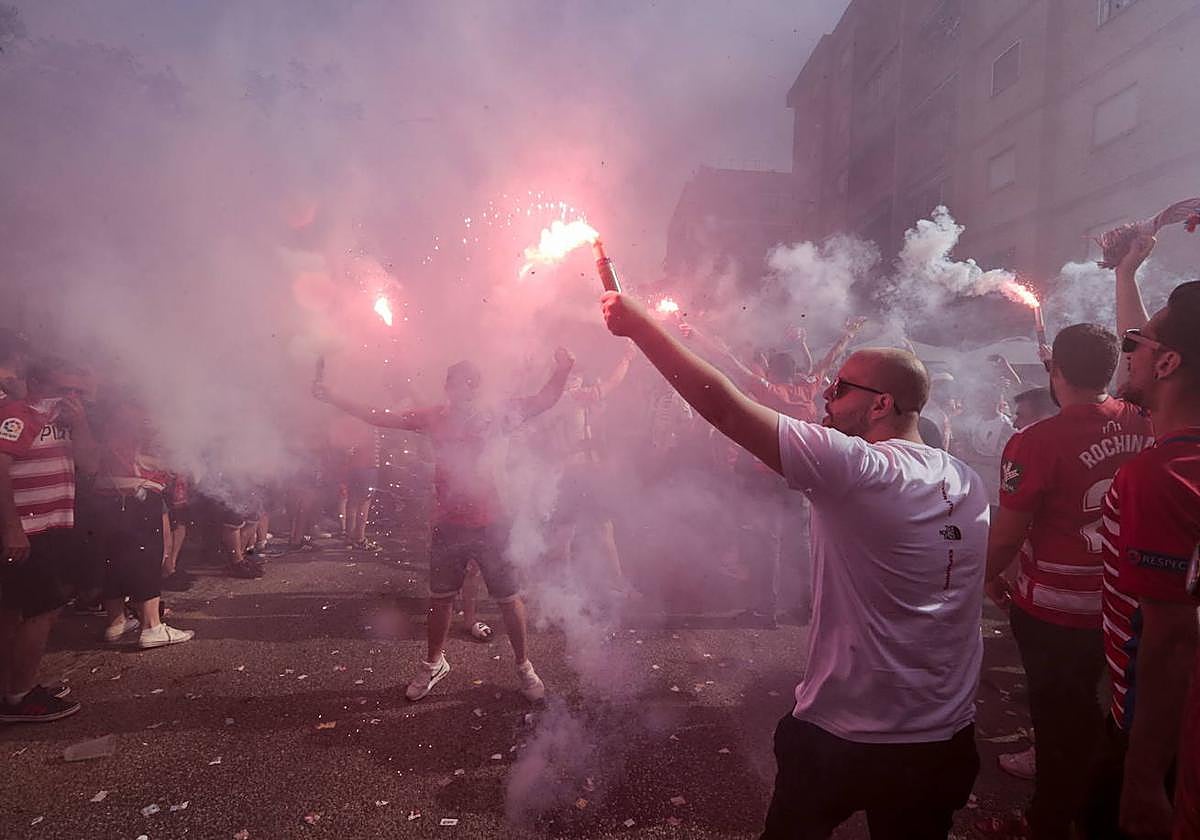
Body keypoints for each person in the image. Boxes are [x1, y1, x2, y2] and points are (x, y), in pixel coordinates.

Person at [600, 292, 988, 839]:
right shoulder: (966, 479)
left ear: (881, 405)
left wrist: (641, 328)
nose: (826, 396)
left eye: (840, 388)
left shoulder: (862, 467)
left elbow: (727, 408)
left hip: (847, 735)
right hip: (943, 737)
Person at [314, 348, 575, 703]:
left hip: (491, 521)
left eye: (467, 384)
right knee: (440, 599)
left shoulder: (496, 415)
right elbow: (381, 417)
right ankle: (434, 663)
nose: (459, 390)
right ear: (448, 388)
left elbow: (543, 401)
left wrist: (563, 370)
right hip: (448, 522)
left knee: (507, 597)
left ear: (477, 388)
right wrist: (333, 397)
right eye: (453, 384)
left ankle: (524, 665)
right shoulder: (436, 417)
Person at [986, 324, 1152, 839]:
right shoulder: (1145, 421)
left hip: (1056, 613)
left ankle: (1049, 825)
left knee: (1061, 726)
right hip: (1129, 603)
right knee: (1116, 715)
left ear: (1055, 372)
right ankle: (1099, 816)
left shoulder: (1034, 442)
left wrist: (984, 577)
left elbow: (1008, 535)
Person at [1082, 235, 1200, 839]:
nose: (1123, 351)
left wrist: (1143, 776)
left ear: (1168, 364)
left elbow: (1172, 638)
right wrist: (1127, 274)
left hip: (1160, 728)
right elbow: (1148, 348)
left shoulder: (1160, 475)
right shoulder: (1180, 448)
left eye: (1136, 346)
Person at [0, 354, 97, 722]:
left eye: (75, 389)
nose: (70, 396)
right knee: (40, 611)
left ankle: (11, 687)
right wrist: (12, 529)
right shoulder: (18, 414)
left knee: (14, 611)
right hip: (29, 532)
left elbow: (90, 464)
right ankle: (19, 698)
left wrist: (82, 423)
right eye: (62, 389)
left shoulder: (64, 419)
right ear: (37, 384)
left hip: (53, 527)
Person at [92, 398, 194, 649]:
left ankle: (116, 622)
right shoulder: (147, 417)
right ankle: (152, 627)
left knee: (113, 559)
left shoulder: (110, 412)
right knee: (147, 558)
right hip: (140, 492)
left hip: (107, 494)